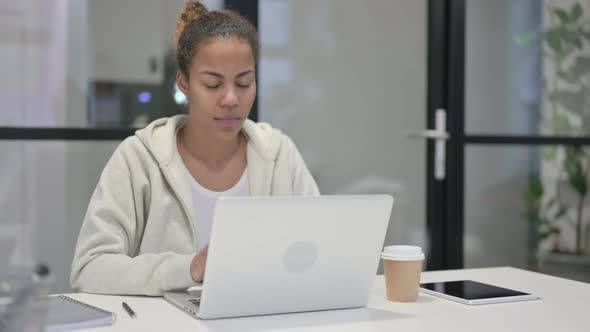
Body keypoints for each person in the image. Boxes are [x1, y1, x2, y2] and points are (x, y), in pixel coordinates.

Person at [70, 1, 319, 296]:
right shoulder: (139, 159)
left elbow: (319, 250)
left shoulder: (279, 155)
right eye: (213, 84)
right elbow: (90, 268)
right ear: (184, 83)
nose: (230, 99)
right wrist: (190, 268)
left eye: (244, 83)